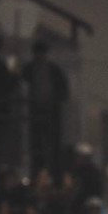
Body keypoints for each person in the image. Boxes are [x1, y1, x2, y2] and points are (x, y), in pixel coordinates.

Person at [22, 41, 69, 171]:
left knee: (49, 143)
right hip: (37, 111)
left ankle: (48, 169)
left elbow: (63, 90)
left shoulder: (51, 69)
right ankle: (39, 169)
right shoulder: (32, 69)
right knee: (37, 144)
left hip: (48, 111)